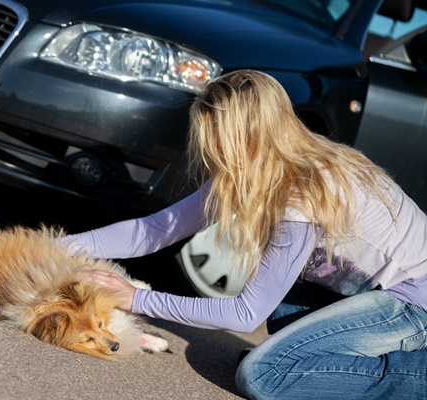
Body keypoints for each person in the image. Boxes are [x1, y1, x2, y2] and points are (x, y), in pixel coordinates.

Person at [63, 70, 427, 399]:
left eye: (215, 140)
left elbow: (244, 315)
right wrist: (54, 247)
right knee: (283, 313)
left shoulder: (303, 193)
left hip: (414, 303)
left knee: (263, 375)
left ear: (245, 140)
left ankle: (415, 378)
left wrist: (136, 298)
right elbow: (156, 229)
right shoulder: (261, 169)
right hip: (380, 293)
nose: (209, 153)